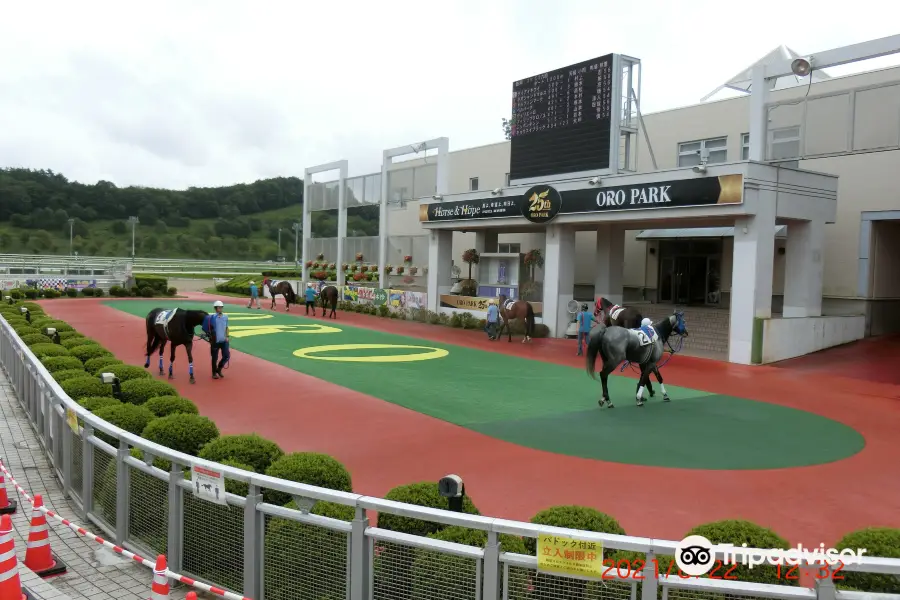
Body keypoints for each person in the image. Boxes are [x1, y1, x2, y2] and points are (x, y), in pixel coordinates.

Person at [209, 300, 230, 379]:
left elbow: (227, 328)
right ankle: (214, 373)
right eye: (219, 307)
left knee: (226, 356)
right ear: (215, 308)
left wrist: (227, 336)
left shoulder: (226, 316)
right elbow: (208, 329)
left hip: (224, 340)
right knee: (214, 358)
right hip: (215, 341)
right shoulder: (212, 318)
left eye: (221, 307)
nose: (220, 309)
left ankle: (219, 368)